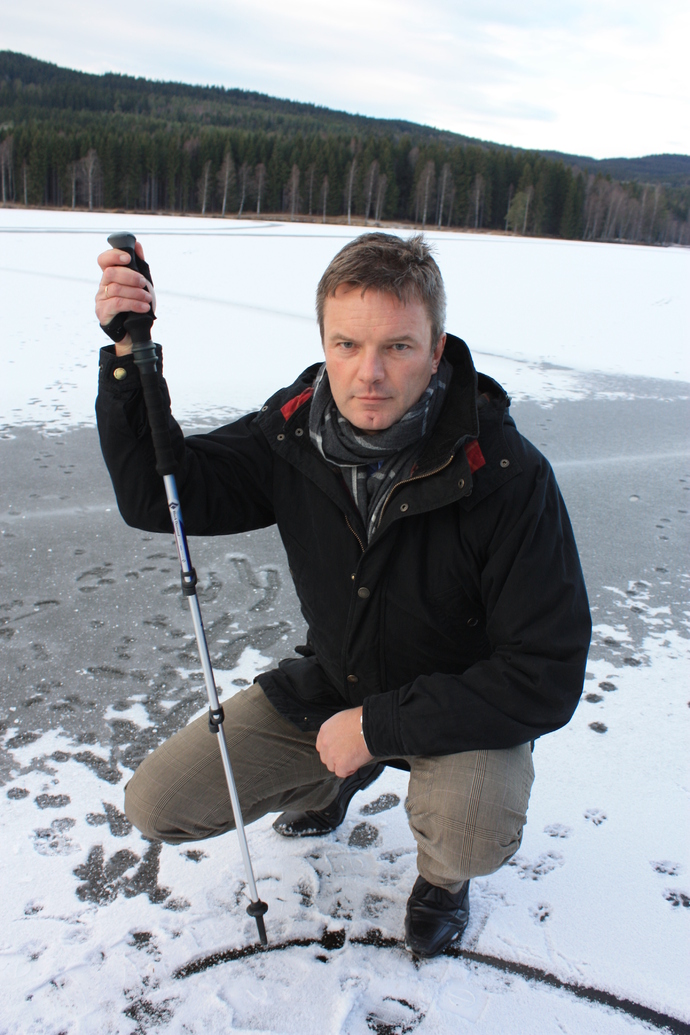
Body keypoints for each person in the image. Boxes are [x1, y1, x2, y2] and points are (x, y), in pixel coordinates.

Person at [94, 232, 591, 958]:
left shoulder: (506, 474)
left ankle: (444, 881)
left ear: (436, 345)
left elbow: (546, 673)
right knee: (157, 803)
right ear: (324, 340)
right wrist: (124, 359)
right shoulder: (292, 434)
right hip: (335, 684)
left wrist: (380, 726)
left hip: (463, 708)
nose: (370, 374)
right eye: (348, 344)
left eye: (397, 346)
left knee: (468, 828)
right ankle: (330, 781)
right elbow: (159, 495)